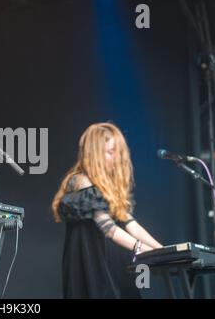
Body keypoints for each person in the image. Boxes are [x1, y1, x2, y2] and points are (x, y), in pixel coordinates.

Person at [52, 122, 162, 299]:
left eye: (118, 153)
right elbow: (108, 228)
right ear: (94, 154)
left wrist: (162, 250)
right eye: (110, 152)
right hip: (92, 268)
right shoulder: (80, 181)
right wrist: (139, 247)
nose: (116, 158)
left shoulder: (107, 188)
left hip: (114, 266)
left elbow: (132, 225)